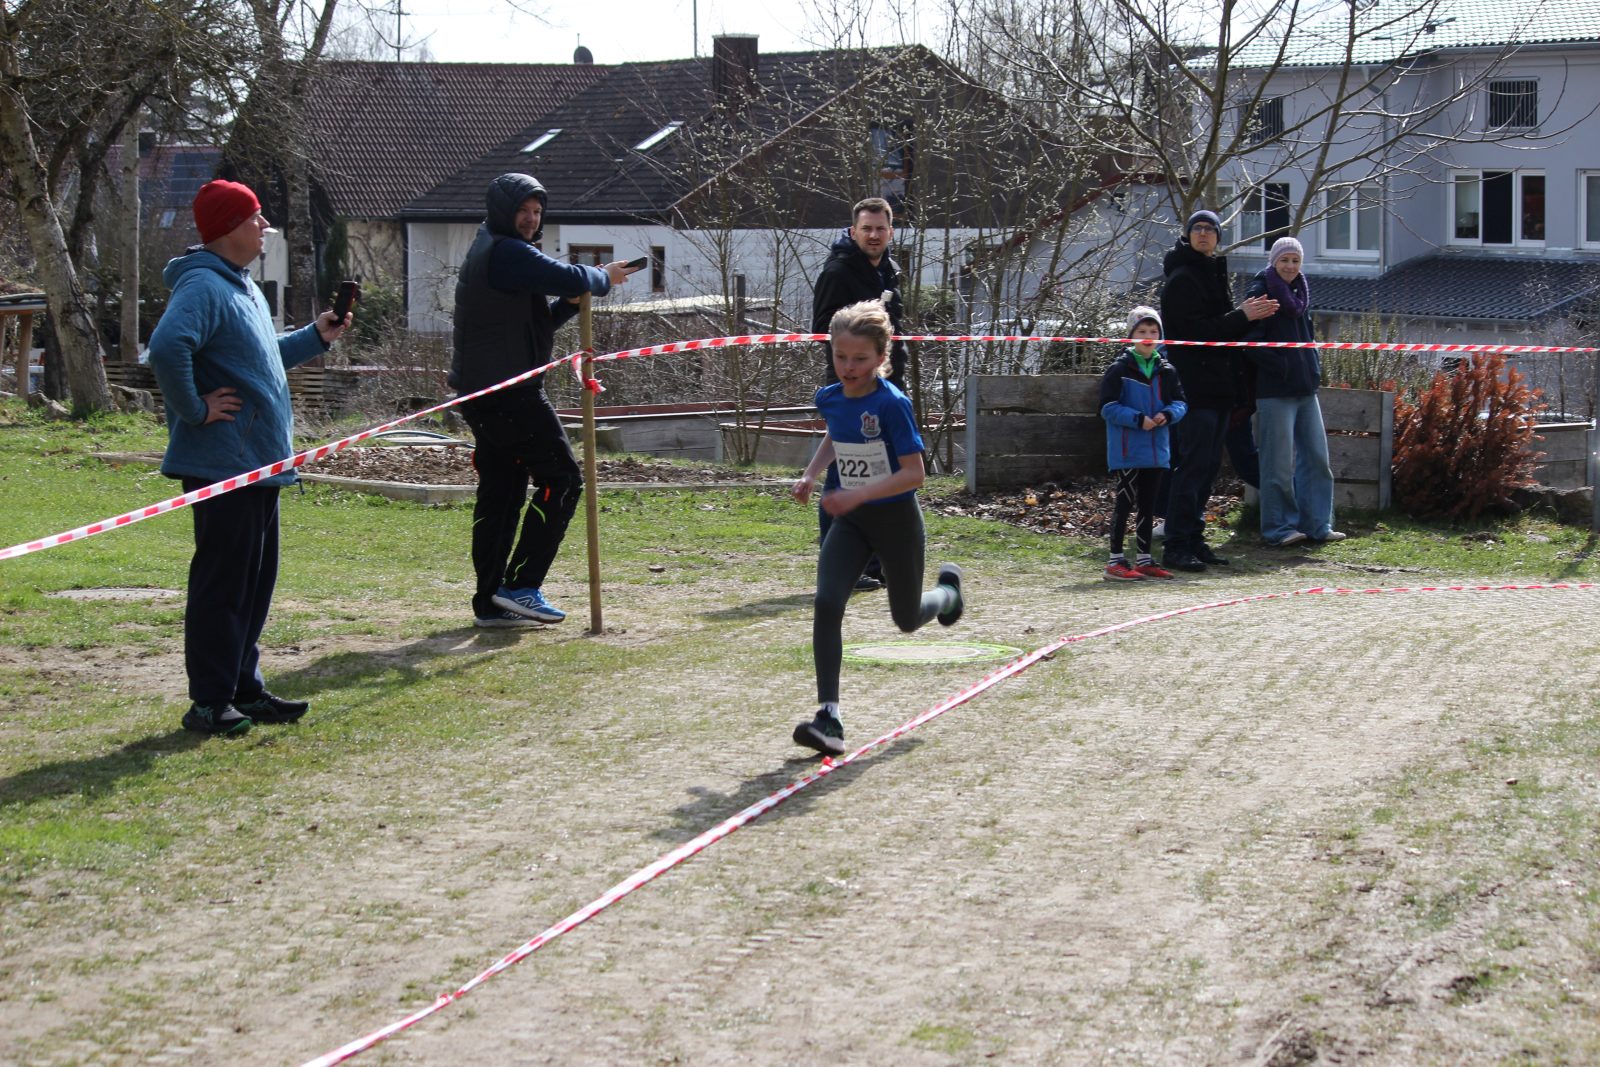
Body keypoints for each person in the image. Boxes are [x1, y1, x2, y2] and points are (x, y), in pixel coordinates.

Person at [147, 179, 352, 737]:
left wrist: (315, 337)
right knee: (224, 587)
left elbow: (261, 357)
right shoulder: (203, 285)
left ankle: (243, 689)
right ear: (228, 227)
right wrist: (195, 409)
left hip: (259, 463)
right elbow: (166, 347)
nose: (265, 227)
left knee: (254, 585)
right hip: (223, 465)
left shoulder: (241, 286)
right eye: (256, 217)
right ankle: (209, 702)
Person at [450, 172, 636, 628]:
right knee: (563, 480)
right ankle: (520, 586)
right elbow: (568, 275)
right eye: (523, 210)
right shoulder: (506, 251)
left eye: (537, 212)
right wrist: (602, 277)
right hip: (510, 396)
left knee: (502, 494)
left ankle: (491, 602)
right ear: (503, 212)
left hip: (488, 393)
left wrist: (570, 305)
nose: (531, 219)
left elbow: (533, 327)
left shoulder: (497, 251)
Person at [790, 300, 965, 756]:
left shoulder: (892, 404)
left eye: (859, 358)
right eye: (840, 356)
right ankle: (829, 717)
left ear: (881, 357)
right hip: (851, 522)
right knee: (827, 602)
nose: (848, 367)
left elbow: (915, 474)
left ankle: (947, 595)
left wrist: (859, 494)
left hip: (895, 522)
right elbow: (837, 432)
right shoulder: (830, 397)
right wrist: (810, 474)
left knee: (906, 619)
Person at [1158, 209, 1279, 573]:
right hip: (1194, 387)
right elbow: (1197, 334)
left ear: (1218, 237)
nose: (1204, 233)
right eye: (1197, 228)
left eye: (1210, 229)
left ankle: (1194, 539)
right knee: (1192, 467)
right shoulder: (1182, 278)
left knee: (1208, 467)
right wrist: (1242, 316)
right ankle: (1176, 544)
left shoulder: (1211, 272)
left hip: (1219, 388)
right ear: (1188, 235)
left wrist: (1246, 320)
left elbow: (1224, 333)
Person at [810, 196, 911, 591]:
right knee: (845, 470)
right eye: (866, 228)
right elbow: (821, 329)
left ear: (890, 232)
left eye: (880, 228)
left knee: (884, 471)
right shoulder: (837, 272)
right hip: (852, 386)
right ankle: (840, 562)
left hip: (888, 383)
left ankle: (876, 560)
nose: (873, 235)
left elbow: (895, 329)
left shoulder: (890, 271)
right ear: (853, 231)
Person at [1243, 236, 1346, 546]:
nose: (1290, 266)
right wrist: (1283, 366)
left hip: (1305, 389)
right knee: (1277, 463)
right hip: (1276, 391)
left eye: (1295, 260)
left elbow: (1308, 338)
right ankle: (1278, 528)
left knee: (1316, 459)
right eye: (1284, 260)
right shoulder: (1260, 292)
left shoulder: (1300, 294)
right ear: (1273, 262)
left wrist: (1311, 368)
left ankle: (1318, 524)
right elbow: (1250, 343)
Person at [1099, 306, 1187, 581]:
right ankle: (1115, 561)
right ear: (1131, 335)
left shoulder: (1168, 370)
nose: (1148, 336)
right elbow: (1108, 407)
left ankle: (1145, 559)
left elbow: (1181, 403)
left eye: (1153, 331)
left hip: (1157, 451)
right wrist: (1138, 419)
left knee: (1148, 505)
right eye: (1142, 331)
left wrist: (1167, 415)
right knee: (1124, 503)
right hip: (1127, 450)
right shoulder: (1119, 369)